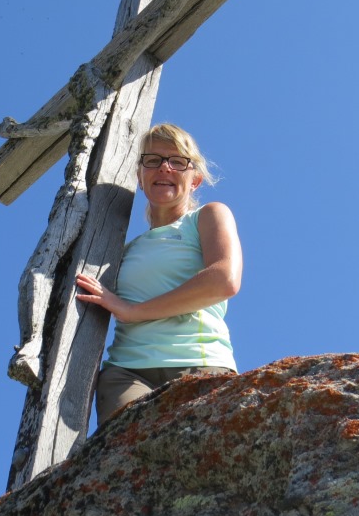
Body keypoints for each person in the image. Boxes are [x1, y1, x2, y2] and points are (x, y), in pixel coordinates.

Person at [75, 123, 243, 425]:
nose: (164, 167)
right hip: (126, 372)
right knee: (124, 458)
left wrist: (133, 311)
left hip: (198, 363)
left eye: (178, 162)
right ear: (140, 177)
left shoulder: (206, 217)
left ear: (195, 180)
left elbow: (223, 279)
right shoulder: (122, 251)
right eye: (152, 160)